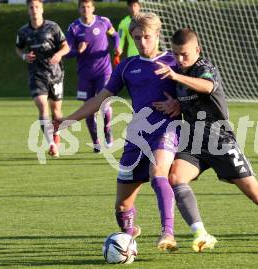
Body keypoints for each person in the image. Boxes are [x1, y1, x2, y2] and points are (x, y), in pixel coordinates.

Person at [153, 28, 258, 255]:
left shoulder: (204, 68)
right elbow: (190, 101)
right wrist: (177, 104)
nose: (179, 59)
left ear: (197, 49)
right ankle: (201, 233)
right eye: (175, 55)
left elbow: (208, 87)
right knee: (175, 177)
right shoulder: (180, 77)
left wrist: (175, 76)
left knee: (257, 195)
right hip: (193, 140)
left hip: (220, 140)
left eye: (184, 54)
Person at [56, 12, 180, 252]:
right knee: (122, 207)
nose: (142, 43)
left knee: (159, 172)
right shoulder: (127, 67)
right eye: (136, 38)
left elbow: (198, 96)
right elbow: (100, 99)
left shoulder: (174, 62)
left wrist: (179, 105)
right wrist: (68, 120)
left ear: (157, 35)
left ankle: (168, 233)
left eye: (146, 37)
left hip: (166, 129)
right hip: (137, 137)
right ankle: (128, 237)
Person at [16, 0, 70, 157]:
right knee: (42, 105)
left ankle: (56, 139)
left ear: (42, 9)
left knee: (57, 112)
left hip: (55, 74)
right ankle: (51, 144)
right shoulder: (23, 31)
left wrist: (58, 54)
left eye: (37, 7)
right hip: (36, 74)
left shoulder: (53, 27)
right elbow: (18, 48)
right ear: (28, 10)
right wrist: (24, 56)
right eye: (31, 7)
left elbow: (66, 46)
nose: (34, 10)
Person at [66, 0, 119, 152]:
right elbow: (67, 52)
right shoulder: (74, 28)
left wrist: (116, 46)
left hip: (104, 71)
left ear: (93, 8)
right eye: (83, 7)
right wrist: (78, 50)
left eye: (88, 7)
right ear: (79, 9)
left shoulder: (103, 22)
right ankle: (96, 142)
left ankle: (107, 133)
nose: (86, 9)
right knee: (88, 109)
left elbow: (115, 35)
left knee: (105, 104)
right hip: (85, 75)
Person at [113, 0, 140, 66]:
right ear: (128, 8)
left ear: (139, 6)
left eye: (135, 6)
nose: (133, 8)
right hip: (132, 54)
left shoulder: (147, 20)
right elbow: (120, 37)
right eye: (131, 6)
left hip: (148, 53)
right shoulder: (124, 22)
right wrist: (118, 48)